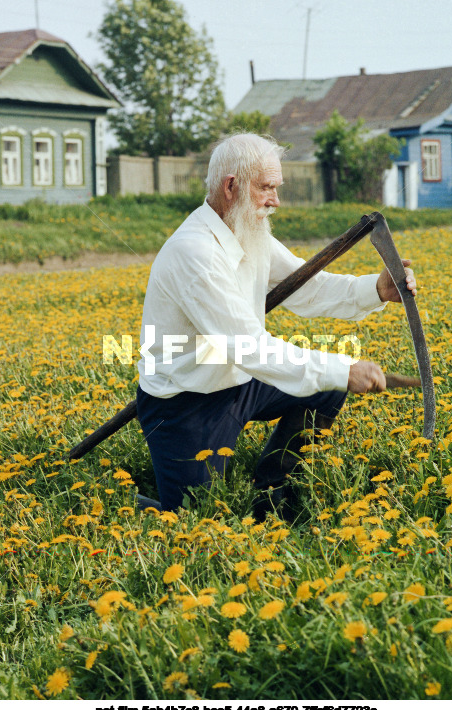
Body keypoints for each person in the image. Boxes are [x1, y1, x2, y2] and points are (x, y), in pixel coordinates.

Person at [135, 133, 416, 519]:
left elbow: (308, 286)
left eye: (276, 188)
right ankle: (140, 506)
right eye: (266, 188)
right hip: (186, 401)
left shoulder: (250, 233)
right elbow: (248, 346)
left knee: (325, 387)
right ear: (231, 186)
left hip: (238, 383)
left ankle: (271, 489)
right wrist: (342, 367)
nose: (275, 200)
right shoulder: (194, 252)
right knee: (197, 524)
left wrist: (376, 289)